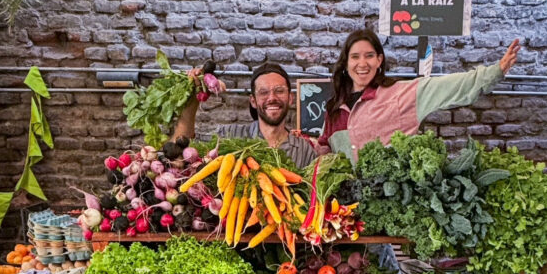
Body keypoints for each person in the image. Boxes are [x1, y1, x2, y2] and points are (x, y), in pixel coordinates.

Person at [318, 30, 521, 161]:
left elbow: (449, 87)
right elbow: (325, 150)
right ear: (346, 63)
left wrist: (495, 72)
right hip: (344, 213)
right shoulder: (335, 108)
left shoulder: (400, 95)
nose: (362, 64)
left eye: (369, 56)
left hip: (390, 205)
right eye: (355, 57)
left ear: (379, 60)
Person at [172, 62, 326, 167]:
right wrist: (191, 100)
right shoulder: (229, 136)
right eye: (263, 92)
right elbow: (181, 150)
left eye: (279, 91)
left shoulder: (304, 150)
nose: (272, 98)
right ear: (253, 100)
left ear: (291, 98)